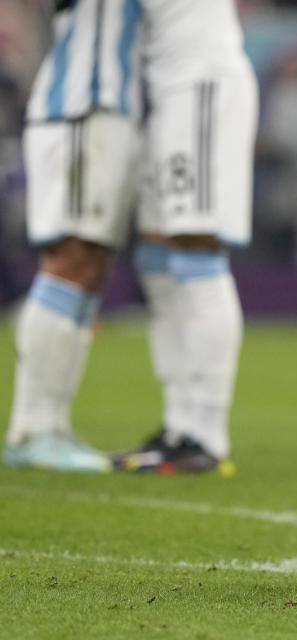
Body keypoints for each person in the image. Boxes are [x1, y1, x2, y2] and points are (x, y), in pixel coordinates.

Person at [4, 0, 257, 474]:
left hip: (189, 84)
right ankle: (42, 427)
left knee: (188, 252)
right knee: (124, 260)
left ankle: (198, 431)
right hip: (118, 99)